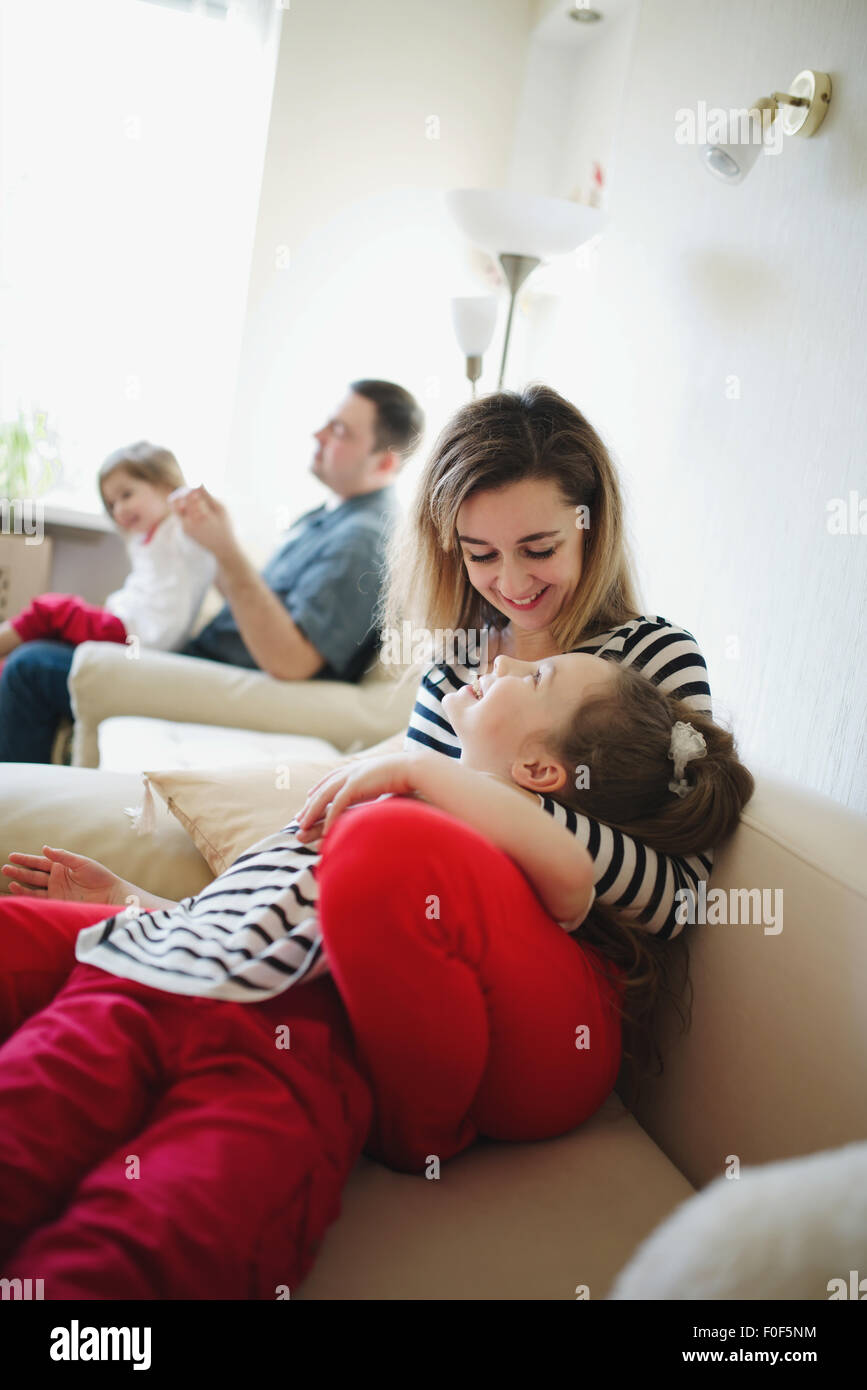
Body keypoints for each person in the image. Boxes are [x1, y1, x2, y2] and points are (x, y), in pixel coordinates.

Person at [0, 650, 753, 1298]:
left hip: (278, 1054)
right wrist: (136, 902)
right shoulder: (385, 794)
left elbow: (572, 874)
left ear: (537, 769)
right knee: (27, 1115)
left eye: (539, 675)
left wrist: (417, 765)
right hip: (155, 971)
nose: (508, 660)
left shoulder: (505, 863)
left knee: (145, 1240)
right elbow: (262, 905)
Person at [0, 379, 424, 763]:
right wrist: (208, 544)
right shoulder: (329, 517)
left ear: (385, 464)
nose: (318, 435)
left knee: (31, 667)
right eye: (326, 424)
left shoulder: (363, 538)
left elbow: (293, 661)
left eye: (340, 431)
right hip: (204, 660)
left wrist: (226, 550)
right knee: (41, 647)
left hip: (222, 679)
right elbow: (252, 598)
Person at [0, 442, 217, 660]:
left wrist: (191, 506)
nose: (119, 509)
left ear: (167, 487)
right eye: (112, 504)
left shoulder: (181, 531)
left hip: (139, 636)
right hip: (130, 628)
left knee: (50, 612)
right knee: (43, 636)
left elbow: (203, 543)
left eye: (127, 495)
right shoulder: (145, 540)